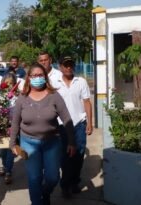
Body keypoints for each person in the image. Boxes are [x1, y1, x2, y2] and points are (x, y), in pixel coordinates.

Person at [10, 63, 75, 205]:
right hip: (29, 142)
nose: (37, 78)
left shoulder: (54, 96)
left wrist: (71, 141)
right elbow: (15, 122)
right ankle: (37, 202)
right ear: (29, 78)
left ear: (45, 77)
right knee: (34, 178)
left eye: (40, 75)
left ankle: (45, 193)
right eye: (34, 75)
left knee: (53, 177)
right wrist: (13, 143)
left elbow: (67, 119)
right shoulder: (23, 98)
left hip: (52, 142)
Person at [56, 56, 93, 198]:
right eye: (65, 65)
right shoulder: (55, 83)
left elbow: (87, 102)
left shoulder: (81, 82)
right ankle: (65, 185)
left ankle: (74, 182)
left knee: (78, 155)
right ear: (60, 67)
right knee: (64, 157)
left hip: (79, 124)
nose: (68, 68)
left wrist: (89, 123)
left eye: (71, 65)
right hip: (61, 125)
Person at [0, 72, 20, 184]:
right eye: (7, 83)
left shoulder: (18, 96)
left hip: (14, 125)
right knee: (2, 150)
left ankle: (8, 171)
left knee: (11, 149)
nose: (9, 85)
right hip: (3, 125)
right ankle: (4, 165)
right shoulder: (1, 96)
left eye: (11, 83)